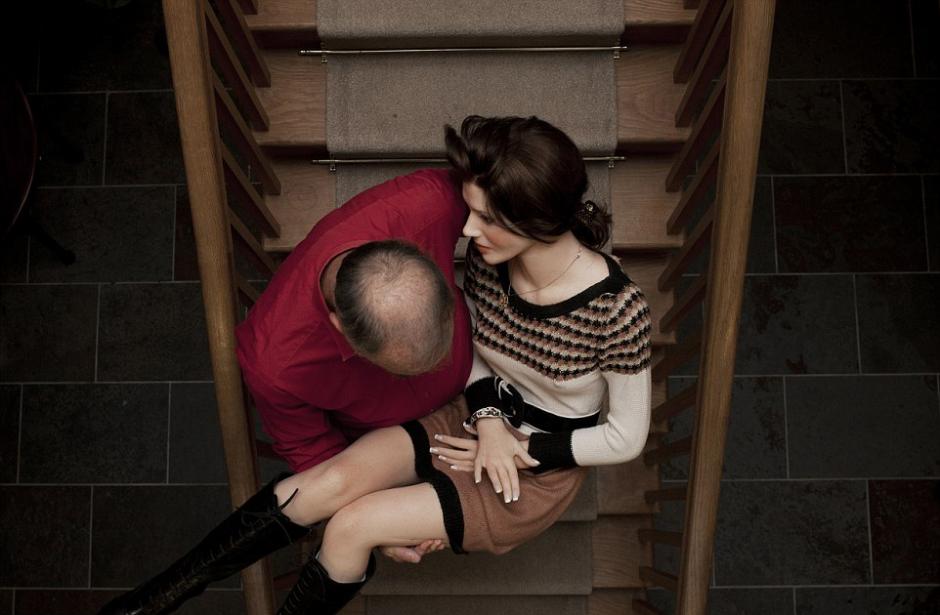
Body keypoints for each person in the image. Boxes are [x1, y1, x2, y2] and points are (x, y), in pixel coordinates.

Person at [275, 115, 653, 614]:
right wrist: (490, 422)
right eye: (471, 212)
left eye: (487, 218)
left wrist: (521, 449)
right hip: (475, 416)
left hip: (535, 467)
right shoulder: (489, 260)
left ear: (536, 220)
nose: (469, 229)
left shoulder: (618, 310)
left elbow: (626, 438)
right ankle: (171, 588)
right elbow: (470, 348)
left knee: (350, 527)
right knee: (314, 488)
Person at [99, 168, 474, 615]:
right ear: (340, 329)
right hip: (383, 442)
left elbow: (511, 196)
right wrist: (377, 520)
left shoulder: (429, 203)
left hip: (478, 391)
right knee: (334, 491)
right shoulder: (277, 361)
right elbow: (313, 450)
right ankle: (159, 598)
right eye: (403, 369)